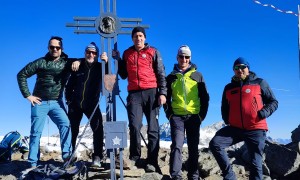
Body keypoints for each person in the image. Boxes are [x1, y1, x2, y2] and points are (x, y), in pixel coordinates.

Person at [209, 57, 278, 180]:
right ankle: (230, 176)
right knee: (215, 144)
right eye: (236, 68)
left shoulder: (259, 83)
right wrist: (227, 119)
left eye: (242, 67)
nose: (239, 70)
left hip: (255, 128)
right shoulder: (228, 88)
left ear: (248, 68)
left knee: (255, 164)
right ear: (233, 70)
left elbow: (273, 102)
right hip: (235, 128)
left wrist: (263, 113)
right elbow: (224, 107)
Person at [17, 36, 79, 168]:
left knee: (65, 124)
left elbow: (86, 61)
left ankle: (67, 156)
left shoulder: (67, 62)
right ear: (48, 48)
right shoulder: (41, 62)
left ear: (62, 49)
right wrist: (28, 95)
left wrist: (78, 61)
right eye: (52, 47)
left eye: (57, 47)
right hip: (39, 102)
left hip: (57, 102)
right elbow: (21, 74)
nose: (55, 49)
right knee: (36, 132)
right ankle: (32, 163)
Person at [112, 26, 167, 172]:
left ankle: (152, 161)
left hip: (152, 92)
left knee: (153, 129)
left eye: (141, 36)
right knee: (135, 126)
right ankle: (135, 157)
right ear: (132, 38)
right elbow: (123, 75)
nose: (139, 38)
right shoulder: (127, 53)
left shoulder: (153, 52)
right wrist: (118, 60)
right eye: (136, 36)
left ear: (145, 38)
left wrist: (163, 93)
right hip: (134, 93)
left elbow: (161, 73)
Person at [163, 45, 209, 180]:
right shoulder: (171, 77)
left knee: (193, 147)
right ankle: (176, 175)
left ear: (190, 58)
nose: (184, 59)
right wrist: (169, 114)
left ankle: (193, 175)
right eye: (181, 56)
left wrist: (201, 115)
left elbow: (205, 97)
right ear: (177, 57)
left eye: (187, 57)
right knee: (177, 145)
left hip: (194, 116)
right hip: (176, 116)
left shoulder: (198, 75)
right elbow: (166, 98)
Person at [65, 42, 108, 168]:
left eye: (94, 52)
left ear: (97, 54)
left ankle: (97, 157)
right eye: (88, 52)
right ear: (85, 53)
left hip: (92, 104)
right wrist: (69, 100)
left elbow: (110, 77)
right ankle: (70, 155)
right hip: (75, 103)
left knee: (98, 128)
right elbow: (69, 83)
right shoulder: (78, 65)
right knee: (72, 129)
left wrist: (107, 63)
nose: (91, 54)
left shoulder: (101, 67)